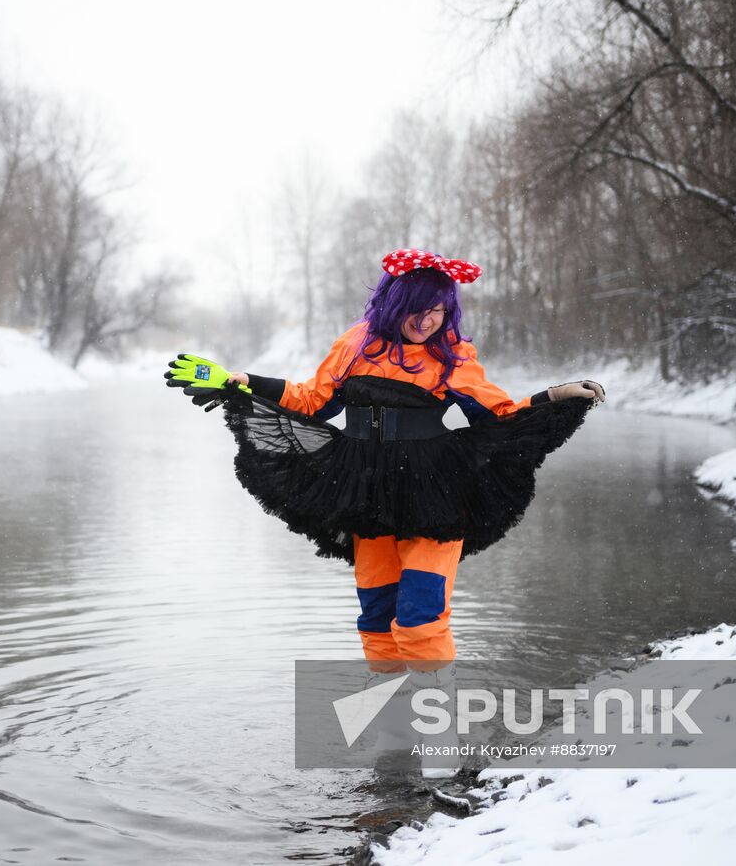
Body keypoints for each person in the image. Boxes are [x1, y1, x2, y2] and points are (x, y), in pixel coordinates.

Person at [165, 248, 604, 775]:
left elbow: (498, 413)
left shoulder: (453, 355)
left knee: (419, 615)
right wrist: (241, 382)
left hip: (435, 491)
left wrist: (555, 396)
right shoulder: (356, 343)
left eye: (440, 310)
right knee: (377, 620)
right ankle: (395, 746)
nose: (430, 320)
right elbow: (311, 401)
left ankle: (441, 743)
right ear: (396, 302)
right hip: (365, 492)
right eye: (421, 308)